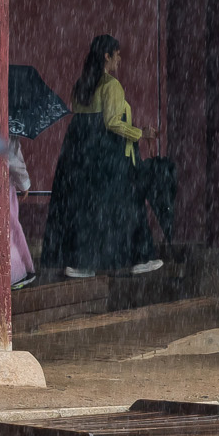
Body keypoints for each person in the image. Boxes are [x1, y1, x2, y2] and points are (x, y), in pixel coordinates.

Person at [40, 34, 161, 280]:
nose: (119, 59)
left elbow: (81, 120)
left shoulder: (82, 84)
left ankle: (79, 262)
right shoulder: (111, 85)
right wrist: (141, 133)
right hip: (109, 157)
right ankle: (139, 258)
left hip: (80, 155)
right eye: (117, 54)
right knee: (127, 205)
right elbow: (113, 122)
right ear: (106, 56)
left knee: (85, 207)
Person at [7, 137, 36, 288]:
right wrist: (24, 183)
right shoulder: (6, 126)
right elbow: (13, 158)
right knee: (9, 229)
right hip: (3, 184)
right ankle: (15, 273)